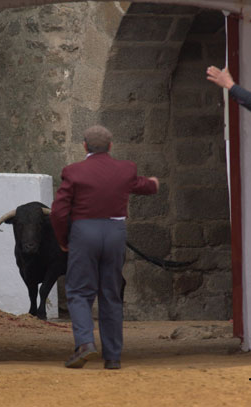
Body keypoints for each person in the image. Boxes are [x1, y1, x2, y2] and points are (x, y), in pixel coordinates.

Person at [50, 125, 159, 370]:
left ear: (85, 146)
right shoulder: (125, 168)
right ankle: (113, 357)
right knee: (110, 293)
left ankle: (86, 343)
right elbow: (141, 185)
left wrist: (62, 239)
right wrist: (154, 184)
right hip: (115, 233)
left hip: (84, 233)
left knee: (79, 292)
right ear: (110, 146)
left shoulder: (73, 171)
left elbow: (58, 212)